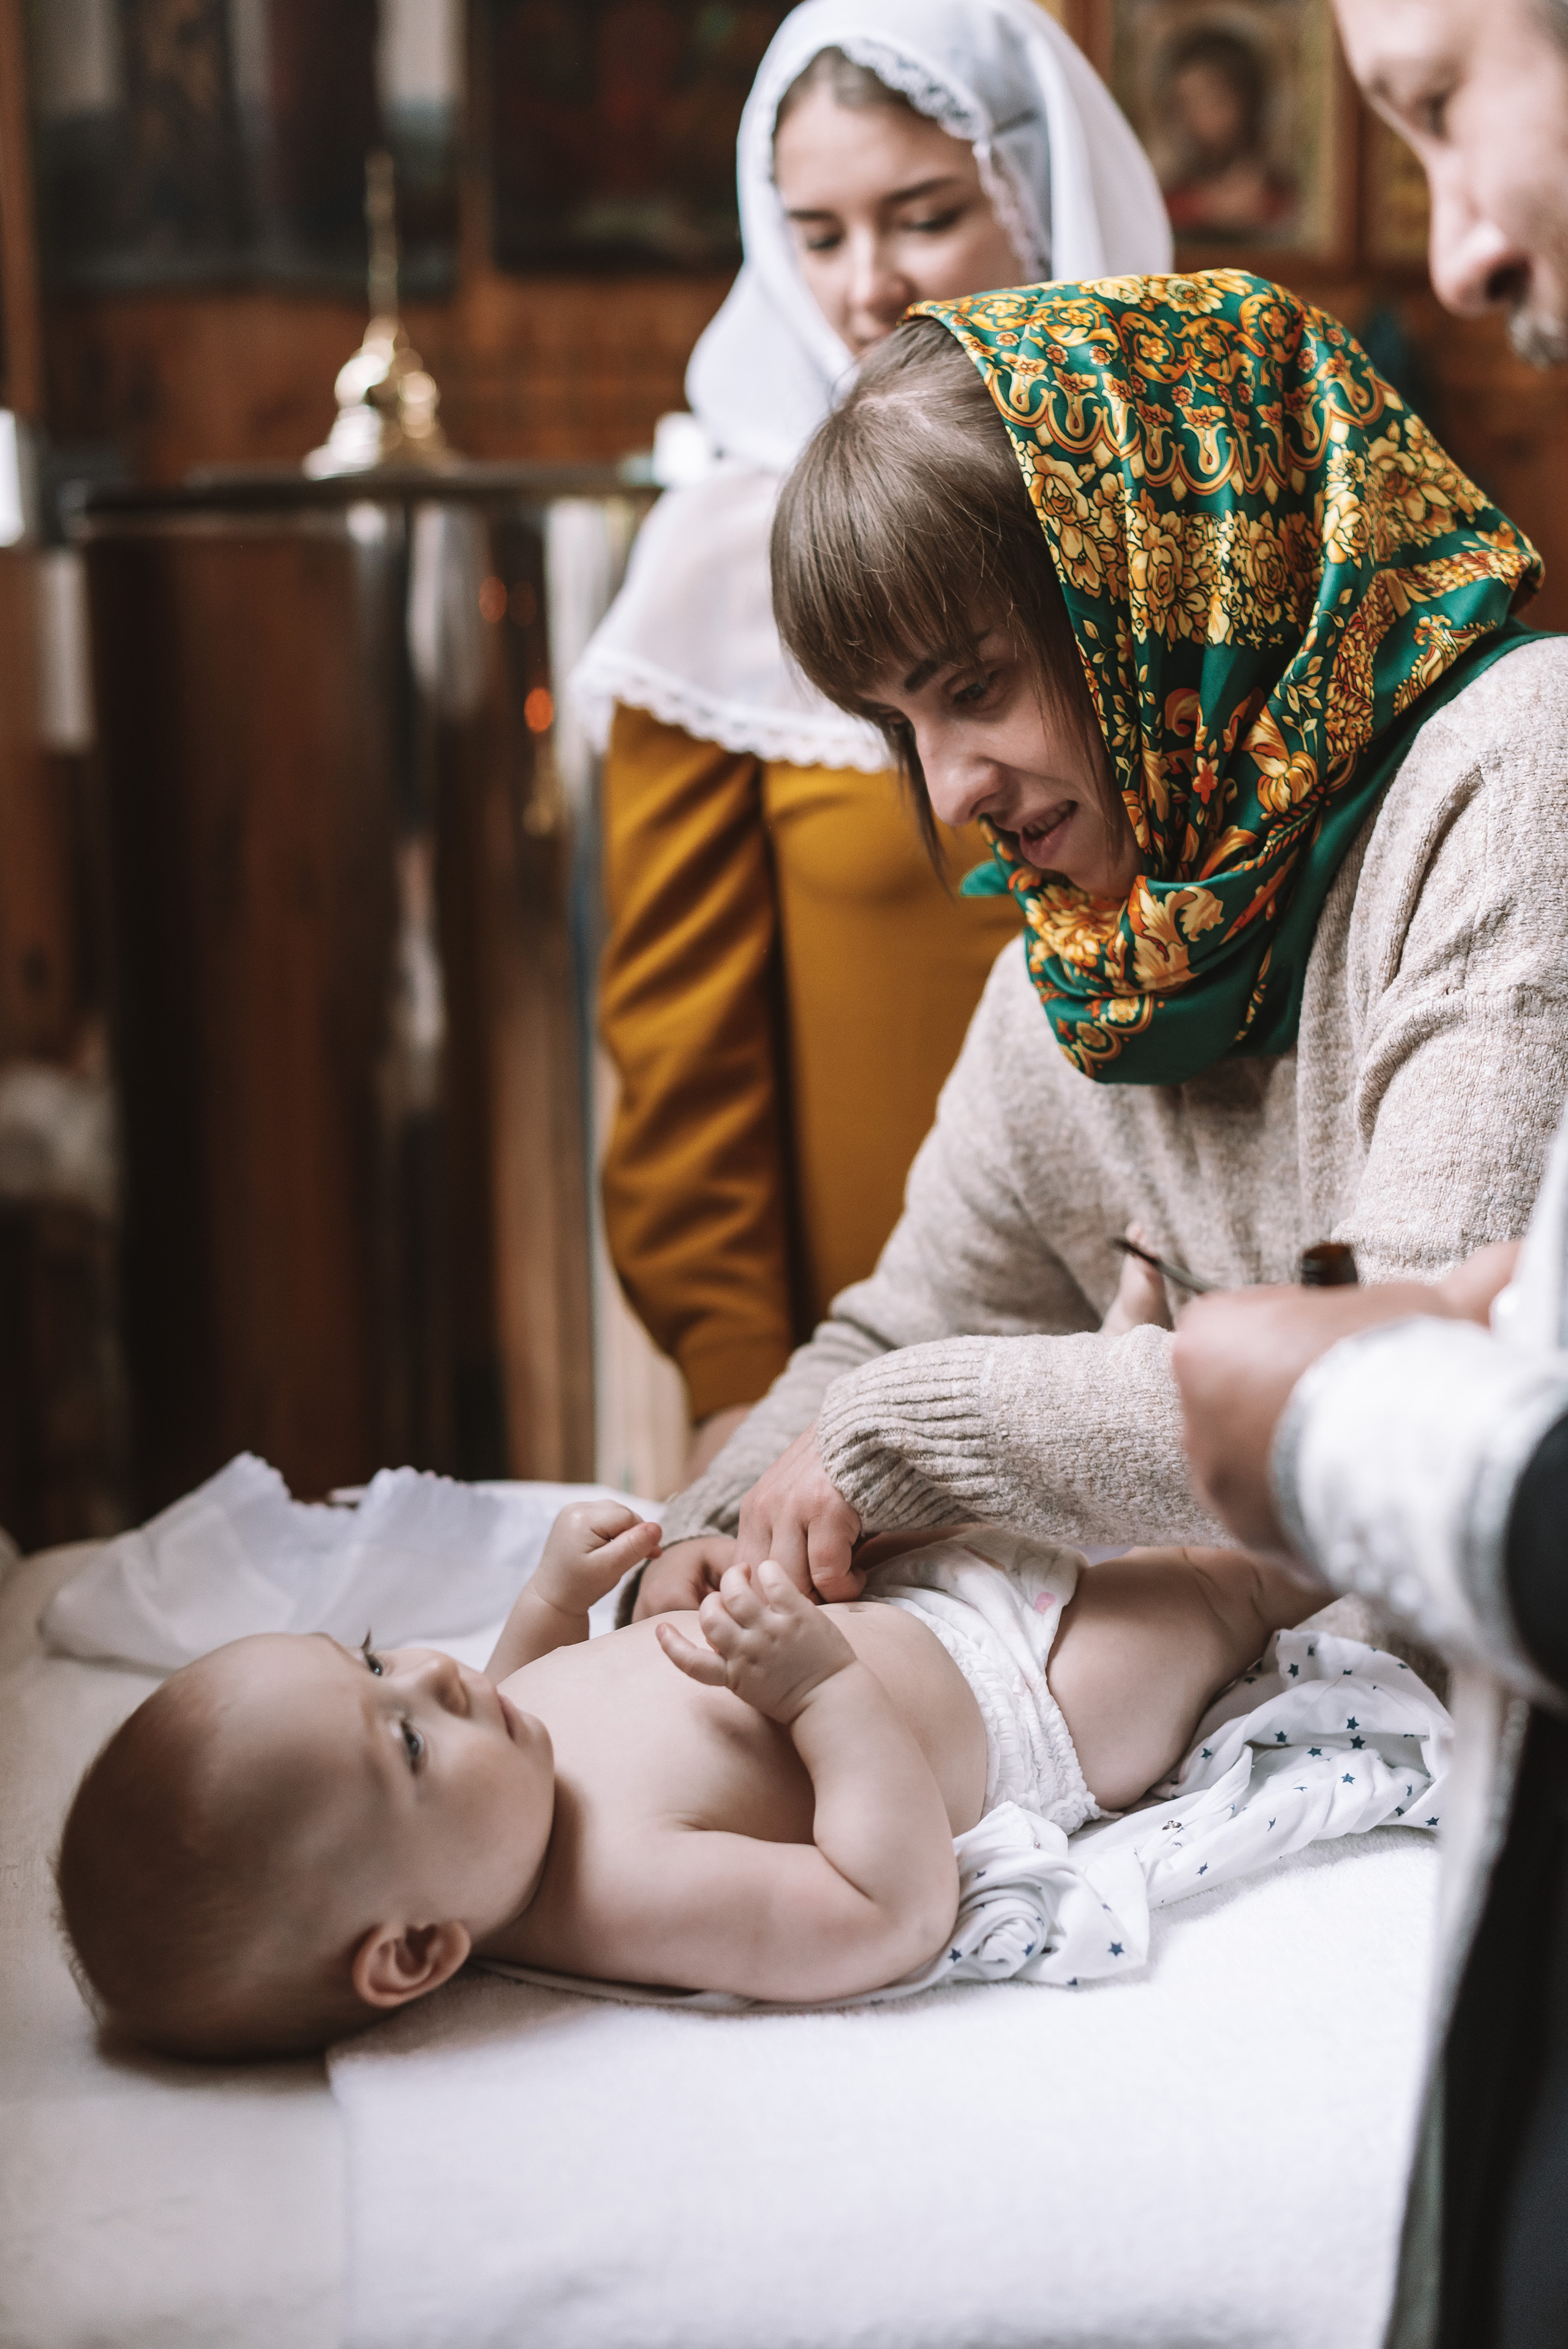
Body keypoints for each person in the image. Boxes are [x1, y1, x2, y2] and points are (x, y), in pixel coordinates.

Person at [621, 265, 1567, 1635]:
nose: (947, 798)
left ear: (1173, 581)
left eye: (974, 687)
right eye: (900, 726)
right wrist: (707, 1534)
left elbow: (1408, 1385)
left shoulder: (1518, 771)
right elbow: (904, 1326)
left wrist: (914, 1434)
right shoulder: (1084, 972)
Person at [1170, 6, 1568, 2342]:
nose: (1460, 240)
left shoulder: (1512, 763)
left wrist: (1324, 1420)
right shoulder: (1098, 951)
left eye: (1438, 99)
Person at [571, 0, 1170, 1479]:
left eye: (922, 216)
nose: (864, 285)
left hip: (1186, 1340)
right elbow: (680, 1046)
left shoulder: (1187, 507)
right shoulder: (721, 563)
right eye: (815, 234)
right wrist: (739, 1383)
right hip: (873, 1365)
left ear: (1038, 199)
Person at [55, 1496, 1318, 2057]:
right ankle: (1321, 1528)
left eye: (376, 1658)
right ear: (418, 1951)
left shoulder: (495, 1776)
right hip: (1023, 1704)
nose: (436, 1680)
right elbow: (889, 1909)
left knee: (1021, 1488)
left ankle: (1123, 1398)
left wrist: (552, 1600)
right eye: (398, 1739)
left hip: (892, 1604)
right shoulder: (620, 1892)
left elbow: (532, 1691)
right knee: (1218, 1586)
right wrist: (820, 1693)